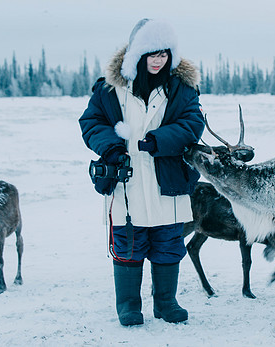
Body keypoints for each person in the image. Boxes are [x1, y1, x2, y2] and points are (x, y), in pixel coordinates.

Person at [79, 18, 204, 326]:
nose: (158, 60)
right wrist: (111, 148)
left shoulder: (182, 89)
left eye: (164, 53)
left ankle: (165, 303)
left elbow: (192, 124)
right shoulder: (110, 89)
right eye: (152, 53)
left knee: (168, 241)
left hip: (168, 178)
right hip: (126, 180)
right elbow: (91, 123)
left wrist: (159, 140)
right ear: (137, 53)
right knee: (128, 242)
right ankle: (129, 306)